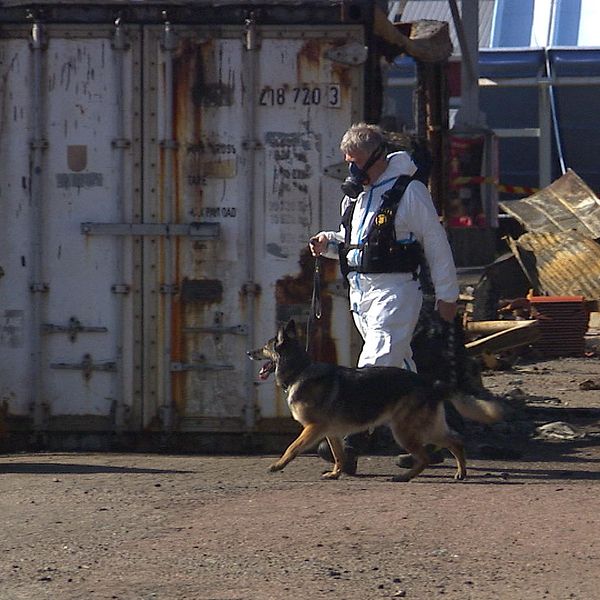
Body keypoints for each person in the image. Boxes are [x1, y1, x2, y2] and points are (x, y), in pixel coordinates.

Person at [309, 122, 459, 474]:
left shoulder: (409, 192)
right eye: (347, 158)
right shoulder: (356, 196)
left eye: (355, 158)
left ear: (375, 156)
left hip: (396, 290)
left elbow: (435, 242)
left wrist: (447, 295)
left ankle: (351, 443)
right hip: (362, 292)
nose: (350, 165)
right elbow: (354, 241)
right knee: (402, 371)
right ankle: (431, 441)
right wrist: (328, 244)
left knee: (376, 362)